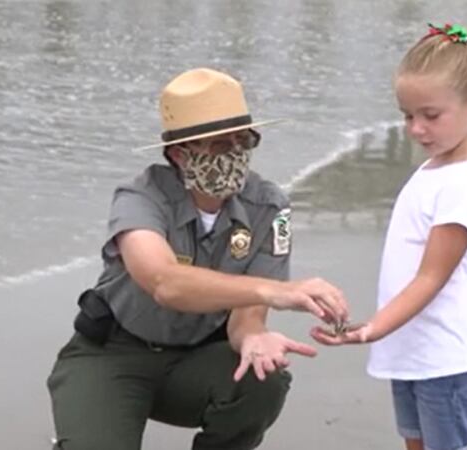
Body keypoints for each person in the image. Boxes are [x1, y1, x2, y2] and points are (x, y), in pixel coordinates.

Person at [47, 67, 349, 450]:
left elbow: (247, 319)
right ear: (180, 154)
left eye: (245, 140)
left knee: (263, 379)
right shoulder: (140, 197)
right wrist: (276, 290)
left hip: (196, 359)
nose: (237, 154)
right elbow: (164, 282)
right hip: (113, 353)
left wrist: (254, 338)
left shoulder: (269, 207)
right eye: (221, 145)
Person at [312, 24, 467, 450]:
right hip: (414, 351)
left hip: (446, 357)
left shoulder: (465, 184)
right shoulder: (437, 169)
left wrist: (373, 330)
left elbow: (431, 277)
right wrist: (381, 330)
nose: (416, 129)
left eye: (430, 115)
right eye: (407, 115)